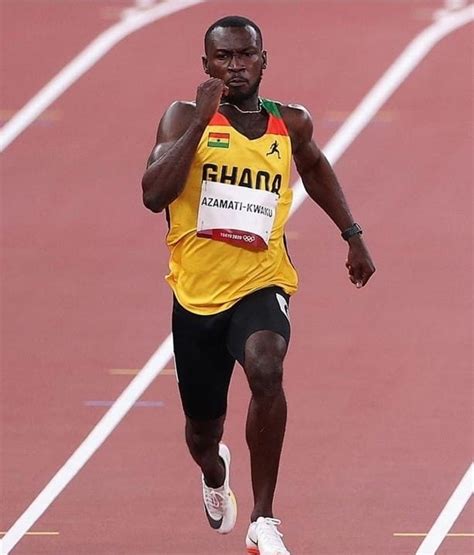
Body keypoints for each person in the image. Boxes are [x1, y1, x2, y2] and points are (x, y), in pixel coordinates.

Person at [141, 15, 375, 555]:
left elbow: (314, 168)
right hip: (197, 294)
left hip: (262, 279)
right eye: (223, 57)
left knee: (267, 365)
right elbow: (154, 195)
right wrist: (201, 125)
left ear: (264, 60)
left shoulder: (288, 123)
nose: (235, 66)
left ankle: (264, 518)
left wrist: (352, 235)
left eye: (245, 55)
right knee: (203, 432)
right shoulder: (180, 119)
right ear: (205, 65)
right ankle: (213, 472)